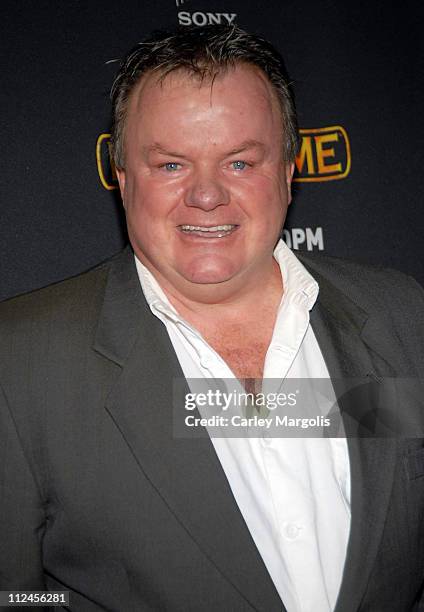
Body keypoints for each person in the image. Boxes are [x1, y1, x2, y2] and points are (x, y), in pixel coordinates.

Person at [0, 25, 423, 612]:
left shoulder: (404, 318)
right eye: (171, 165)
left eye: (241, 163)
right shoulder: (20, 363)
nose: (206, 195)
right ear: (122, 178)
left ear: (289, 169)